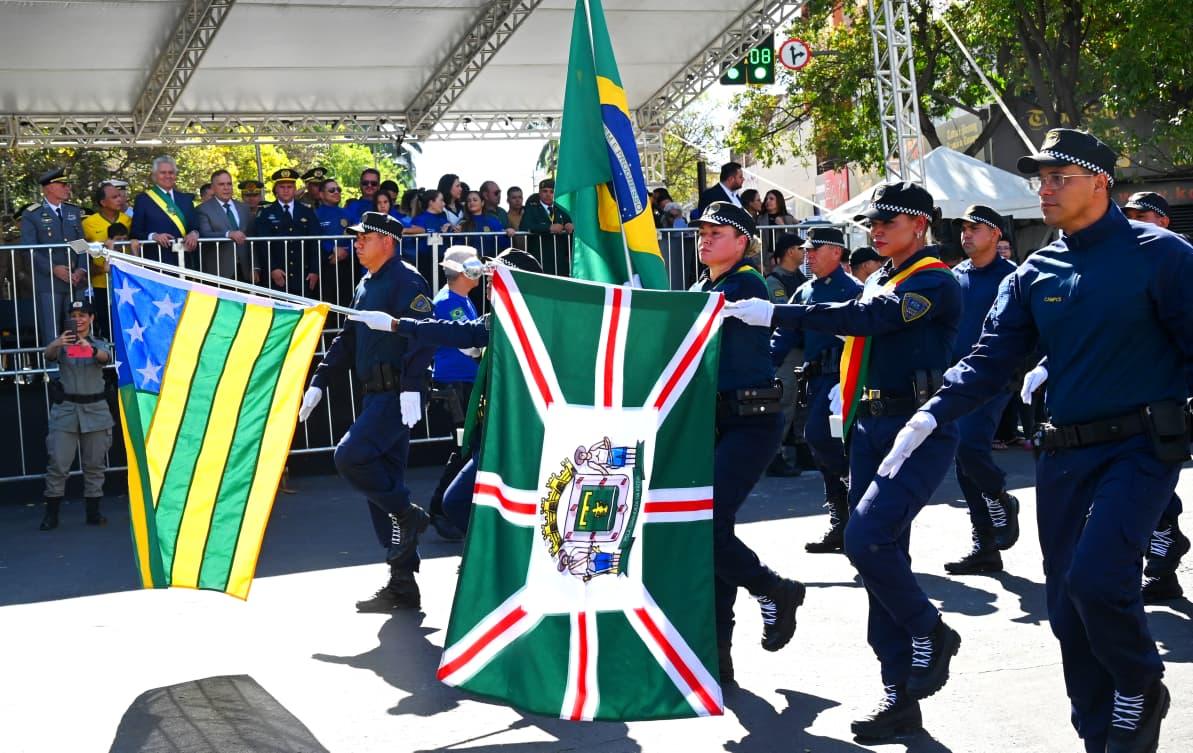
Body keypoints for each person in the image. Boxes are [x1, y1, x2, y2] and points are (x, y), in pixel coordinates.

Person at [876, 129, 1193, 753]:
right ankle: (1101, 736)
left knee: (1098, 579)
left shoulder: (1163, 254)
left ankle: (1139, 679)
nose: (1044, 190)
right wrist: (932, 414)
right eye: (1039, 179)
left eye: (1058, 178)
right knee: (1069, 614)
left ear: (1100, 181)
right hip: (1063, 456)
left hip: (1139, 448)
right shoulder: (1037, 270)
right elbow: (990, 359)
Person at [724, 182, 964, 741]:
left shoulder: (932, 279)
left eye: (890, 220)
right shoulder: (880, 275)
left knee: (866, 541)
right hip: (871, 425)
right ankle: (900, 691)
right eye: (873, 222)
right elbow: (860, 318)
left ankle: (932, 630)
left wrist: (778, 311)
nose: (876, 230)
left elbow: (871, 320)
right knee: (881, 558)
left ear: (920, 226)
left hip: (917, 426)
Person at [297, 211, 437, 612]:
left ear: (387, 242)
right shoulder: (365, 284)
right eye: (356, 238)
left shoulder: (407, 280)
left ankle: (409, 515)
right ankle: (402, 583)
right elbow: (349, 336)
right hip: (374, 394)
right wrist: (321, 380)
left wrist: (413, 385)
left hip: (397, 396)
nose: (356, 243)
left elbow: (424, 336)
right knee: (385, 488)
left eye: (364, 237)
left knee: (351, 457)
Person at [691, 202, 805, 687]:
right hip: (713, 423)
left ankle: (773, 589)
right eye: (701, 232)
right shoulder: (704, 287)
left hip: (751, 420)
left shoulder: (746, 284)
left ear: (742, 242)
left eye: (717, 232)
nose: (705, 238)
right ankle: (720, 657)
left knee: (708, 526)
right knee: (710, 534)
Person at [1117, 190, 1191, 602]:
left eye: (1142, 215)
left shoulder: (1180, 263)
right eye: (1126, 215)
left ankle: (1162, 559)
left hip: (1172, 397)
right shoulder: (1123, 267)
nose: (1132, 222)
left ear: (1164, 221)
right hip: (1130, 395)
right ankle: (1164, 553)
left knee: (1151, 479)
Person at [942, 204, 1021, 575]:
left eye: (976, 228)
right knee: (962, 456)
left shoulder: (1015, 277)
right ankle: (985, 545)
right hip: (957, 379)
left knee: (970, 444)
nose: (966, 234)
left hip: (994, 378)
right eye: (963, 228)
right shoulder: (954, 277)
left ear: (996, 235)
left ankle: (998, 496)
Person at [772, 227, 862, 551]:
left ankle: (855, 493)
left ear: (836, 252)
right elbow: (785, 334)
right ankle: (841, 522)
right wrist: (765, 365)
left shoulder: (854, 290)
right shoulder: (805, 291)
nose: (807, 256)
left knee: (821, 437)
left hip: (843, 378)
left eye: (814, 250)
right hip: (814, 377)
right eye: (806, 251)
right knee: (821, 451)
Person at [423, 246, 484, 541]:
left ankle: (450, 507)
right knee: (461, 450)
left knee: (466, 448)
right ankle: (441, 510)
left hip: (463, 383)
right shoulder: (449, 302)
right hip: (455, 386)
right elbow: (467, 344)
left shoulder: (461, 300)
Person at [40, 300, 114, 530]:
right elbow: (48, 355)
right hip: (66, 412)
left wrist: (89, 348)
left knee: (94, 465)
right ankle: (51, 514)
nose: (79, 319)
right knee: (58, 465)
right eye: (74, 315)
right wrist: (58, 342)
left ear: (91, 318)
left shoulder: (98, 343)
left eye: (83, 315)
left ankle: (93, 512)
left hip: (95, 412)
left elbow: (105, 357)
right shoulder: (62, 344)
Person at [20, 167, 87, 345]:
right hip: (48, 281)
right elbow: (29, 248)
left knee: (77, 326)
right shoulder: (32, 214)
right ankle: (54, 371)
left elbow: (81, 243)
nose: (67, 188)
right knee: (52, 328)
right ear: (48, 188)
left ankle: (76, 365)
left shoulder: (73, 211)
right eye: (63, 185)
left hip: (74, 280)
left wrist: (81, 268)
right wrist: (53, 269)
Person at [764, 232, 807, 478]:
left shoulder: (800, 278)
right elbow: (784, 313)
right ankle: (773, 455)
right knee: (784, 402)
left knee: (800, 404)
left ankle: (800, 449)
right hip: (786, 350)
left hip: (801, 347)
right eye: (801, 249)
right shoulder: (775, 281)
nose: (805, 254)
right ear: (790, 251)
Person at [253, 168, 321, 297]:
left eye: (289, 187)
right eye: (282, 187)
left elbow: (315, 243)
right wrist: (272, 268)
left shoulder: (307, 211)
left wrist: (314, 270)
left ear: (295, 189)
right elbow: (263, 245)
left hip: (303, 274)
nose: (286, 190)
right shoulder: (266, 213)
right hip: (278, 274)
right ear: (276, 190)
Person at [81, 181, 132, 336]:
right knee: (106, 324)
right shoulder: (88, 223)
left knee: (127, 325)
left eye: (119, 196)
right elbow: (80, 251)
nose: (120, 199)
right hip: (101, 283)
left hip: (126, 284)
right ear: (103, 202)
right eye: (114, 197)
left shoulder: (128, 220)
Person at [131, 155, 199, 267]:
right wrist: (154, 236)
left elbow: (195, 226)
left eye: (171, 172)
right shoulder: (143, 200)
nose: (168, 176)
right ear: (154, 176)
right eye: (163, 172)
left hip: (183, 261)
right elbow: (135, 232)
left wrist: (194, 234)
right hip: (156, 261)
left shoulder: (186, 199)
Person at [195, 169, 252, 280]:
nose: (226, 188)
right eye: (221, 184)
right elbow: (204, 234)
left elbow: (252, 238)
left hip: (245, 270)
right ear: (213, 187)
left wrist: (255, 267)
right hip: (219, 272)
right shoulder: (203, 209)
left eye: (229, 184)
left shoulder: (244, 208)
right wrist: (228, 234)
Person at [315, 178, 355, 307]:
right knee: (327, 302)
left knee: (347, 301)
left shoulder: (348, 213)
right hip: (326, 263)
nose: (336, 192)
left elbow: (357, 235)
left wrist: (346, 251)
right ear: (321, 194)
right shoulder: (315, 214)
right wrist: (333, 249)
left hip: (347, 263)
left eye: (338, 189)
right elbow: (315, 237)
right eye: (332, 190)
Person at [520, 179, 574, 275]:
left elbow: (568, 222)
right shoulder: (532, 209)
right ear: (539, 193)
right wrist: (548, 228)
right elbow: (525, 226)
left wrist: (569, 224)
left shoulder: (560, 209)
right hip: (540, 260)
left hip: (560, 262)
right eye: (545, 191)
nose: (548, 194)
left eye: (551, 192)